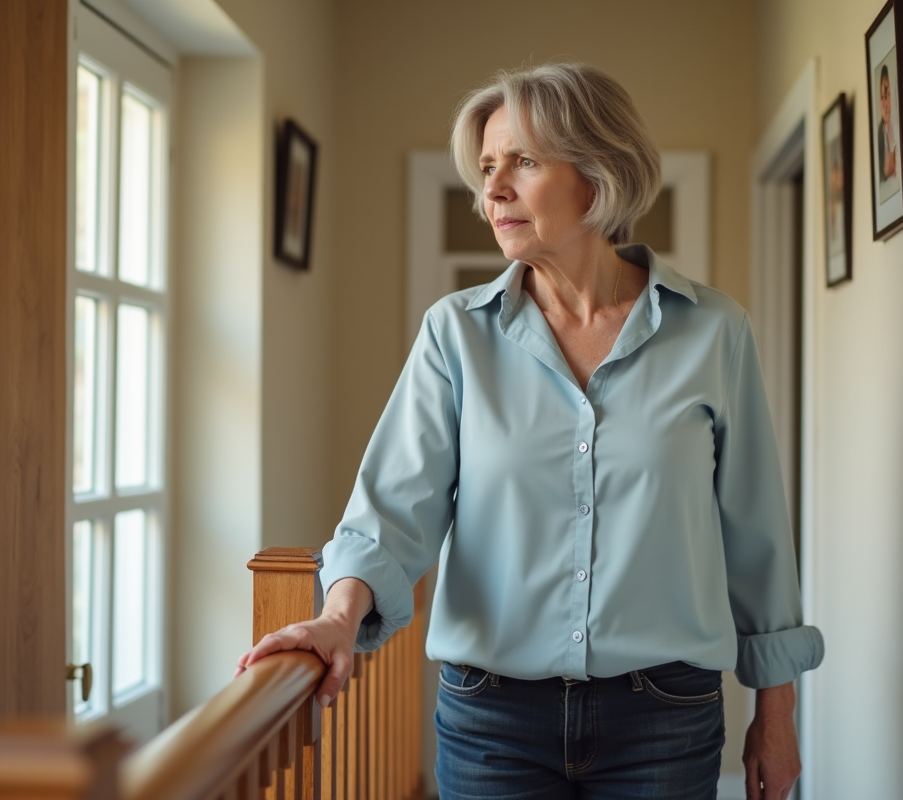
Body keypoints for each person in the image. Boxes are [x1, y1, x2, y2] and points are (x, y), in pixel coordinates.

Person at [236, 63, 824, 800]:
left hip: (664, 718)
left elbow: (757, 536)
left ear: (597, 171)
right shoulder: (454, 336)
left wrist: (778, 711)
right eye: (486, 167)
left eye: (523, 161)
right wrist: (335, 615)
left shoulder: (713, 333)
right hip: (492, 722)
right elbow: (391, 508)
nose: (493, 189)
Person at [878, 64, 898, 182]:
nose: (885, 103)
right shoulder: (881, 133)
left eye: (887, 94)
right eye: (882, 97)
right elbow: (887, 171)